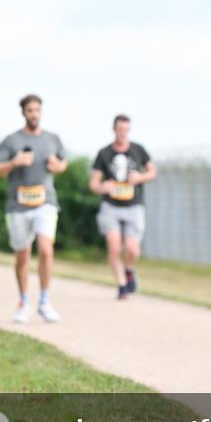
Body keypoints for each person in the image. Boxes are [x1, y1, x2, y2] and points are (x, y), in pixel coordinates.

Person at [0, 94, 68, 323]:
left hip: (46, 202)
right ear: (23, 113)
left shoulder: (52, 139)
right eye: (30, 110)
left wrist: (58, 166)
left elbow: (63, 163)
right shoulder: (11, 141)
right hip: (18, 206)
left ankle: (44, 301)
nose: (34, 114)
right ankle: (24, 301)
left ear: (41, 112)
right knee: (22, 255)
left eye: (37, 110)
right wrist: (14, 162)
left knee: (45, 249)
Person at [89, 114, 155, 300]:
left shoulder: (138, 150)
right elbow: (93, 184)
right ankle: (121, 285)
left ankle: (129, 270)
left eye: (126, 130)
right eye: (120, 130)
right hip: (111, 206)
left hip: (134, 206)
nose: (123, 133)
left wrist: (140, 178)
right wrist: (103, 187)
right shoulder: (104, 153)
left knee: (132, 249)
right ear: (114, 129)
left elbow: (152, 172)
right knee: (114, 246)